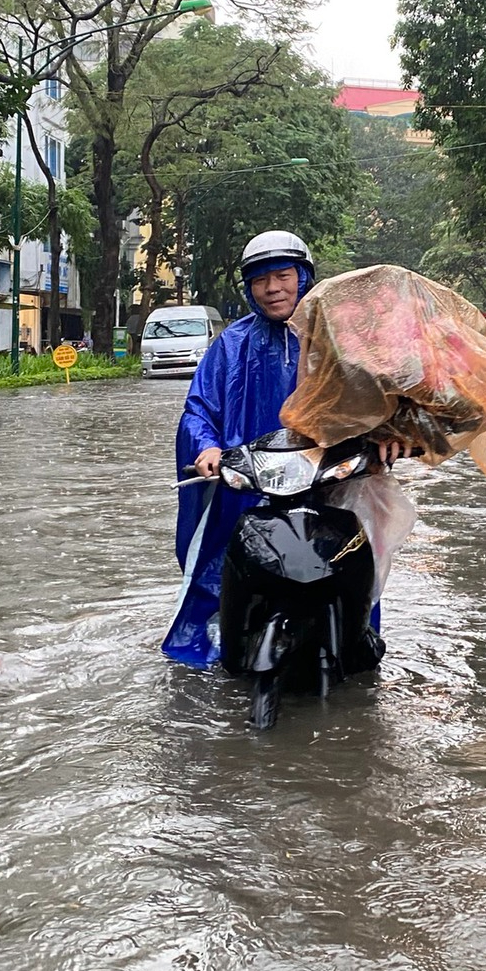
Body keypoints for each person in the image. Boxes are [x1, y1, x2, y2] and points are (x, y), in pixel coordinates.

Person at [165, 230, 315, 668]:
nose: (273, 289)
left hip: (319, 480)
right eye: (260, 280)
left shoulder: (331, 339)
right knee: (218, 564)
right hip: (246, 482)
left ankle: (356, 634)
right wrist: (207, 447)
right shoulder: (230, 344)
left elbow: (367, 400)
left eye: (283, 275)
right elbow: (198, 409)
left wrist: (386, 438)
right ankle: (218, 638)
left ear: (303, 276)